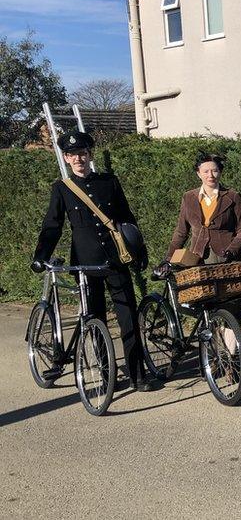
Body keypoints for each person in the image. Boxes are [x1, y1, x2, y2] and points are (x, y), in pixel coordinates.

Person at [31, 130, 159, 392]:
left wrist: (139, 250)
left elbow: (126, 217)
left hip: (115, 260)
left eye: (82, 153)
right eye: (72, 154)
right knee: (94, 317)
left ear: (89, 155)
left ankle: (137, 375)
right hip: (85, 265)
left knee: (128, 318)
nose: (78, 158)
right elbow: (52, 226)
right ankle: (103, 373)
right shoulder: (62, 189)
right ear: (66, 158)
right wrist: (40, 257)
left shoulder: (109, 182)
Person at [163, 152, 241, 325]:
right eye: (206, 171)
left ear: (220, 172)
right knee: (204, 308)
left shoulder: (233, 196)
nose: (210, 175)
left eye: (215, 170)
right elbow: (181, 232)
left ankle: (230, 352)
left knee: (230, 308)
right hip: (198, 260)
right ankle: (211, 347)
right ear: (198, 173)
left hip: (226, 258)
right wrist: (168, 258)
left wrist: (232, 250)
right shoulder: (188, 197)